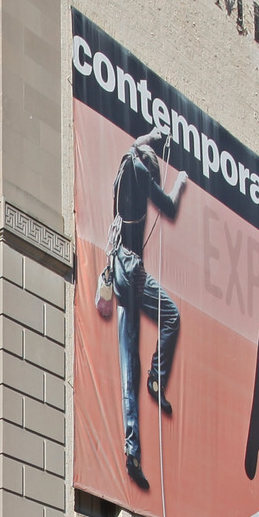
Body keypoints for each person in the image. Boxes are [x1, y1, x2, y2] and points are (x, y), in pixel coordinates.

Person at [97, 126, 184, 489]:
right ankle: (156, 377)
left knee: (127, 360)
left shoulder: (124, 168)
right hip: (131, 268)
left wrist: (150, 136)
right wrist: (181, 181)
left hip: (118, 267)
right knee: (172, 317)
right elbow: (170, 205)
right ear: (148, 166)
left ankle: (132, 448)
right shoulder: (139, 172)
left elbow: (134, 147)